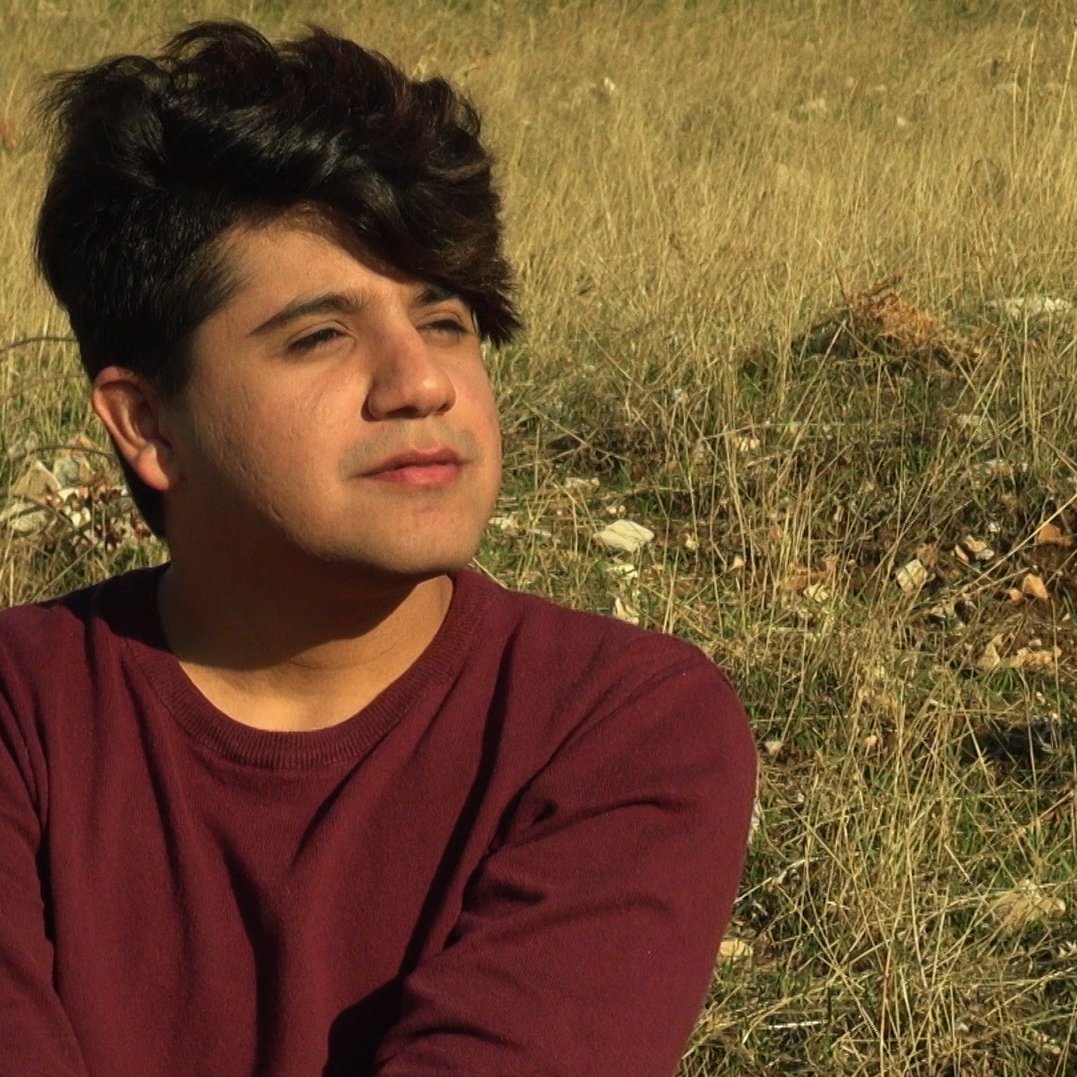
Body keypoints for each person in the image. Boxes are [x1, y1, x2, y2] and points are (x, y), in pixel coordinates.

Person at [0, 20, 757, 1076]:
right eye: (319, 336)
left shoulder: (620, 725)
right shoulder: (25, 712)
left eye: (445, 321)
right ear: (147, 426)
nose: (422, 383)